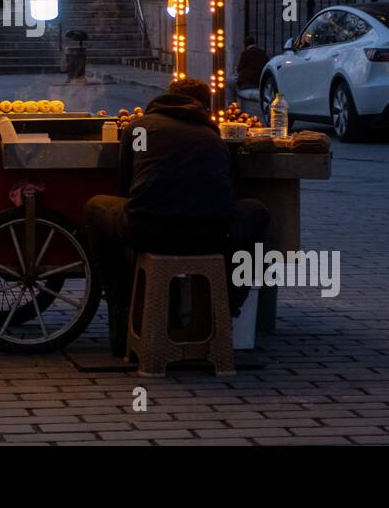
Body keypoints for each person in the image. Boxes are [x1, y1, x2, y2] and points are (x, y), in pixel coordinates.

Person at [82, 78, 271, 355]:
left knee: (94, 207)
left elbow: (125, 187)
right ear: (203, 107)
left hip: (148, 230)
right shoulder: (212, 134)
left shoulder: (139, 129)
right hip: (211, 234)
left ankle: (120, 303)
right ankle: (228, 307)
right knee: (258, 212)